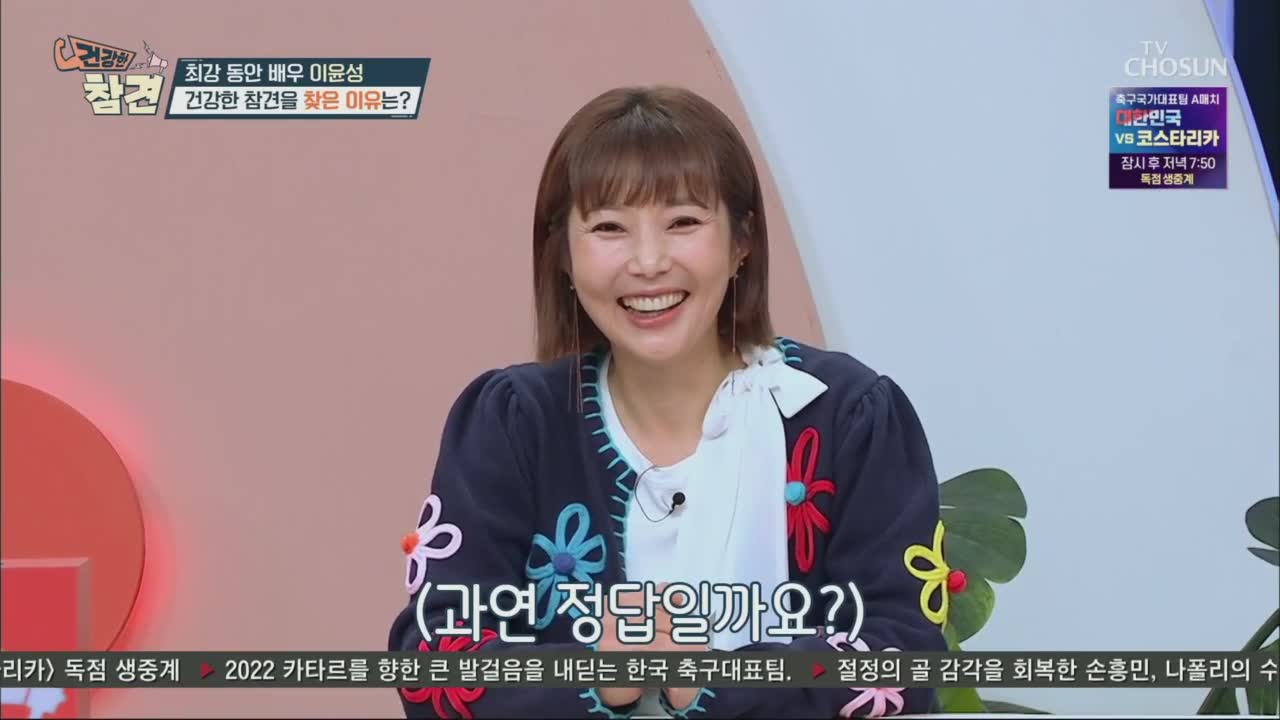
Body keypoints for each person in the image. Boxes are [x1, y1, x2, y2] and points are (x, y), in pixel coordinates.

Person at [388, 85, 948, 719]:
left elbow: (903, 656)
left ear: (741, 241)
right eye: (609, 228)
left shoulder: (849, 416)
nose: (649, 262)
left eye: (683, 222)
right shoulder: (514, 424)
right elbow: (435, 661)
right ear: (563, 255)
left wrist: (722, 681)